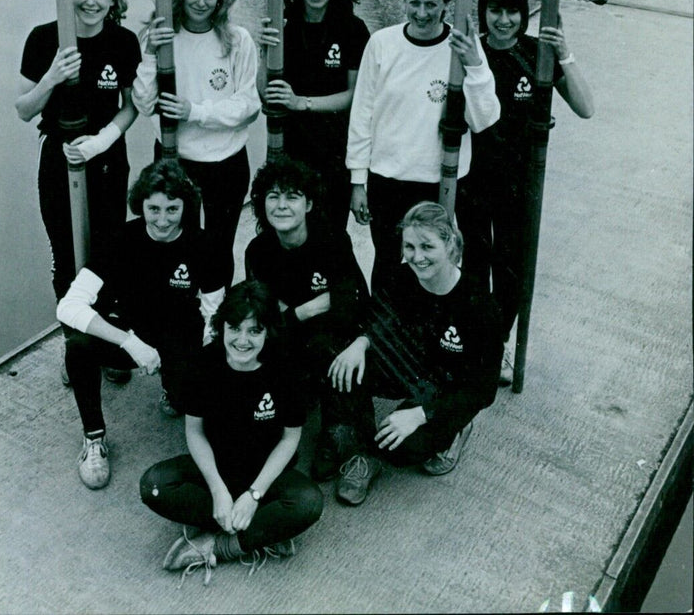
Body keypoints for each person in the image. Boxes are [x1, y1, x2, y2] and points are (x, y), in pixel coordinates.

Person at [456, 0, 594, 383]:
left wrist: (565, 53)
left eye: (512, 11)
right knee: (475, 269)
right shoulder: (470, 54)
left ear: (523, 14)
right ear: (484, 11)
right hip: (473, 182)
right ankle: (474, 347)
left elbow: (586, 107)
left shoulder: (539, 55)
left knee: (512, 273)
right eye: (495, 10)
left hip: (521, 186)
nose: (503, 20)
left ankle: (495, 346)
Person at [140, 279, 324, 583]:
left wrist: (253, 495)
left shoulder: (286, 368)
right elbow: (195, 432)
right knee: (154, 485)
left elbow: (291, 438)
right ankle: (262, 531)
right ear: (221, 327)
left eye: (255, 330)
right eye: (234, 328)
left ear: (269, 331)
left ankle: (220, 545)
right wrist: (218, 491)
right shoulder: (202, 364)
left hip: (265, 476)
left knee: (308, 502)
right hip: (217, 468)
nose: (243, 340)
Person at [56, 159, 224, 490]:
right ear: (141, 205)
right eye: (154, 208)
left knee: (191, 401)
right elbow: (68, 306)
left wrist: (200, 367)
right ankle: (94, 439)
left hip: (181, 338)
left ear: (185, 207)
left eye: (172, 209)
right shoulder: (120, 239)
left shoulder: (205, 245)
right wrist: (129, 342)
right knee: (77, 348)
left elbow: (213, 315)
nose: (163, 220)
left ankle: (175, 392)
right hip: (133, 336)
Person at [326, 202, 502, 506]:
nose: (417, 257)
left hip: (446, 387)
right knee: (342, 365)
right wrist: (360, 343)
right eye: (409, 246)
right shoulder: (401, 275)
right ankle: (365, 455)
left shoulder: (480, 305)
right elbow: (377, 316)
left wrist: (422, 413)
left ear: (449, 244)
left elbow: (483, 390)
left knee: (406, 449)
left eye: (427, 246)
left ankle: (455, 429)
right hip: (408, 369)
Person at [346, 0, 500, 285]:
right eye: (414, 2)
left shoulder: (461, 47)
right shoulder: (382, 44)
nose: (422, 13)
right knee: (388, 262)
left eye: (431, 4)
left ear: (446, 4)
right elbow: (361, 116)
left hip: (438, 179)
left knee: (432, 264)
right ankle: (386, 335)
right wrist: (358, 181)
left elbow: (484, 118)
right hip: (387, 178)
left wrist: (474, 63)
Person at [132, 0, 261, 290]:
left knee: (219, 245)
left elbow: (248, 106)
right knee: (175, 243)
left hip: (226, 161)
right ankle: (177, 314)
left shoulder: (237, 40)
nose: (201, 2)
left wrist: (195, 112)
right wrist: (149, 55)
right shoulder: (162, 38)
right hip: (175, 159)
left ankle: (216, 317)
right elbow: (145, 105)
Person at [16, 0, 140, 301]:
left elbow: (131, 107)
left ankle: (105, 331)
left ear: (113, 0)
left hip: (106, 156)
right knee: (65, 253)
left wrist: (101, 142)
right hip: (58, 157)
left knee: (107, 248)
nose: (91, 1)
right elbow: (23, 109)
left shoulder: (124, 42)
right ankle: (74, 335)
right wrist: (51, 77)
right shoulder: (43, 39)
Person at [244, 156, 369, 481]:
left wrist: (297, 310)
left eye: (292, 196)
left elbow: (350, 304)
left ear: (309, 203)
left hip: (332, 335)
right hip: (288, 335)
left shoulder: (332, 240)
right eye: (273, 196)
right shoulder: (258, 250)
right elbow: (268, 315)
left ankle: (336, 431)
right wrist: (314, 305)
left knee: (328, 346)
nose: (281, 205)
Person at [258, 0, 370, 234]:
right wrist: (263, 50)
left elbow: (355, 95)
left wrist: (301, 103)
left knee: (329, 234)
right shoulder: (284, 27)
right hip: (289, 148)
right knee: (287, 231)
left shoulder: (352, 29)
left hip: (335, 150)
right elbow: (264, 94)